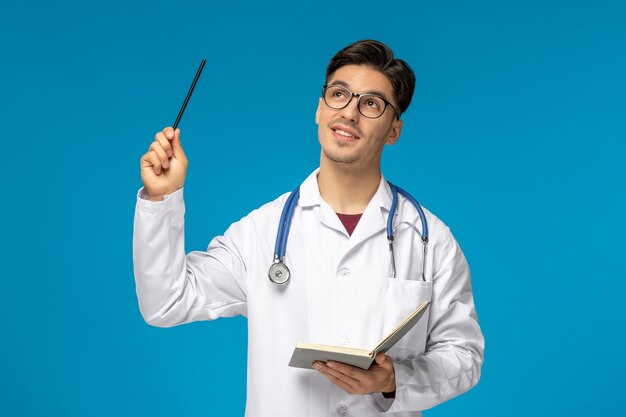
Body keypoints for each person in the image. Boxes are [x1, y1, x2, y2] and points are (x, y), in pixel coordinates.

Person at [133, 39, 484, 416]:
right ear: (319, 109)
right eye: (339, 94)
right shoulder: (261, 232)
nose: (350, 113)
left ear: (394, 130)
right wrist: (162, 199)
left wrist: (393, 378)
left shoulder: (430, 238)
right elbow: (165, 302)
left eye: (370, 103)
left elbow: (464, 356)